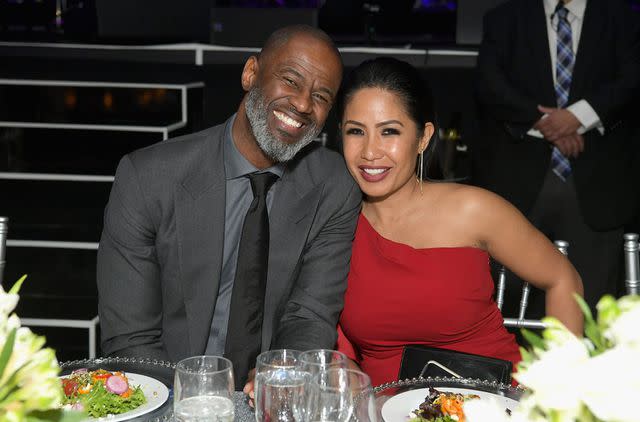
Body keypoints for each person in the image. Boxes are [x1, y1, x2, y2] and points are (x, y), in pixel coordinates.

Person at [96, 25, 361, 388]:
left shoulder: (334, 187)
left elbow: (310, 315)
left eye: (321, 96)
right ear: (251, 73)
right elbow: (131, 339)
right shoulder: (148, 178)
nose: (302, 104)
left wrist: (282, 379)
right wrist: (197, 400)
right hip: (167, 394)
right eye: (291, 80)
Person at [335, 57, 583, 387]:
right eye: (356, 132)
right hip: (383, 407)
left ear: (423, 138)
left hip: (492, 401)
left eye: (389, 132)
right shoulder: (335, 221)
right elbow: (331, 334)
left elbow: (563, 279)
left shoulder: (473, 210)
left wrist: (556, 391)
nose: (370, 152)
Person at [473, 0, 640, 317]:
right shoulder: (504, 18)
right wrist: (551, 125)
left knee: (591, 306)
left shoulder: (623, 18)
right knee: (506, 306)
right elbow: (490, 84)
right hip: (517, 181)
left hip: (599, 186)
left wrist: (578, 116)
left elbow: (631, 80)